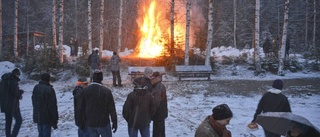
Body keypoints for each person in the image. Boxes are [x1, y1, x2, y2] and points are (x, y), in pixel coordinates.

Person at [79, 71, 118, 137]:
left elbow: (81, 108)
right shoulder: (106, 91)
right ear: (101, 78)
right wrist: (114, 121)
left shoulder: (85, 90)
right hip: (103, 123)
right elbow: (112, 108)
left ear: (93, 78)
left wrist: (81, 122)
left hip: (91, 123)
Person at [32, 73, 59, 137]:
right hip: (46, 116)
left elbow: (33, 100)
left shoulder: (36, 87)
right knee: (46, 133)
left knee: (40, 133)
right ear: (49, 79)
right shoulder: (49, 89)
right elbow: (52, 106)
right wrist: (54, 119)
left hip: (38, 114)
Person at [0, 68, 24, 137]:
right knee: (19, 120)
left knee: (8, 122)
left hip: (5, 104)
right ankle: (13, 135)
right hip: (13, 105)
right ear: (16, 74)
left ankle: (8, 135)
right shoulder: (12, 81)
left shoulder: (3, 81)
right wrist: (21, 92)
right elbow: (16, 93)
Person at [151, 71, 168, 137]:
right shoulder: (161, 85)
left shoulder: (158, 87)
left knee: (157, 132)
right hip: (162, 112)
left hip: (158, 113)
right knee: (161, 130)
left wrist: (152, 112)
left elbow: (156, 102)